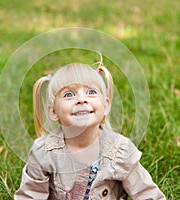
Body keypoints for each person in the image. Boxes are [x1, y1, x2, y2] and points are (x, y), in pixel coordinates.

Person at [14, 63, 166, 199]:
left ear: (106, 106)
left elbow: (146, 193)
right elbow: (30, 195)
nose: (81, 100)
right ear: (53, 111)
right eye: (69, 95)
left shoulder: (120, 150)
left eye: (91, 92)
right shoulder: (44, 152)